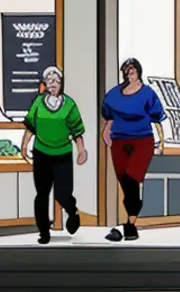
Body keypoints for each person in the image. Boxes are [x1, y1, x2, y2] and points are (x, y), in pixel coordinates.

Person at [101, 58, 165, 243]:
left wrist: (162, 143)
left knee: (131, 179)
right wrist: (106, 132)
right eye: (127, 71)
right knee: (124, 182)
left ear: (139, 72)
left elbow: (157, 119)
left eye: (133, 70)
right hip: (119, 141)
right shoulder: (114, 94)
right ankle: (130, 227)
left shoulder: (147, 93)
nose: (130, 74)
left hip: (142, 140)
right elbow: (109, 117)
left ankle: (128, 224)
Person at [20, 66, 86, 244]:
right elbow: (30, 127)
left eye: (56, 81)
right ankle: (44, 232)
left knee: (63, 194)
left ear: (61, 84)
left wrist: (81, 150)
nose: (53, 84)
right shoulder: (38, 103)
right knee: (42, 194)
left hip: (62, 154)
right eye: (50, 81)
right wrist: (24, 146)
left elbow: (77, 131)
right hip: (41, 154)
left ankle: (73, 212)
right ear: (45, 84)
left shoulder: (69, 105)